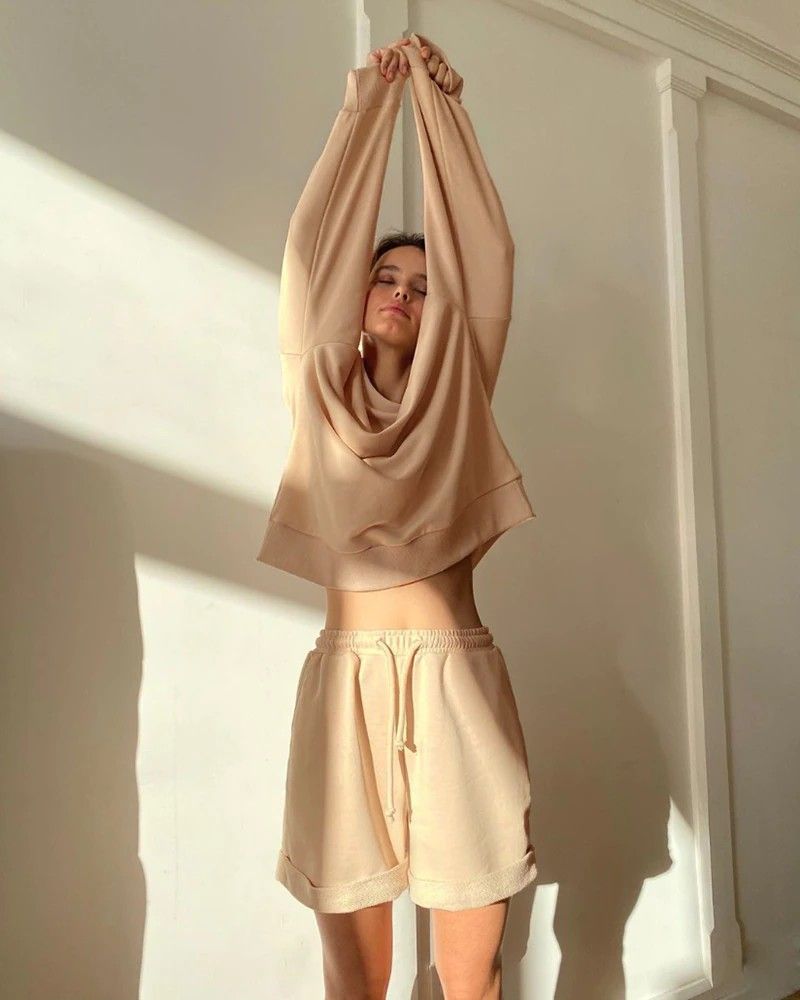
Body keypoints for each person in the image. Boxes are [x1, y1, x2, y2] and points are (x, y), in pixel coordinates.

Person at [258, 32, 538, 999]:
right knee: (353, 971)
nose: (401, 294)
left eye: (422, 287)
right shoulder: (317, 389)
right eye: (386, 277)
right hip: (346, 688)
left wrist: (441, 112)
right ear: (359, 292)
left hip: (456, 684)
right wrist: (367, 110)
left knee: (472, 966)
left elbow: (488, 253)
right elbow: (312, 251)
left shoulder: (461, 393)